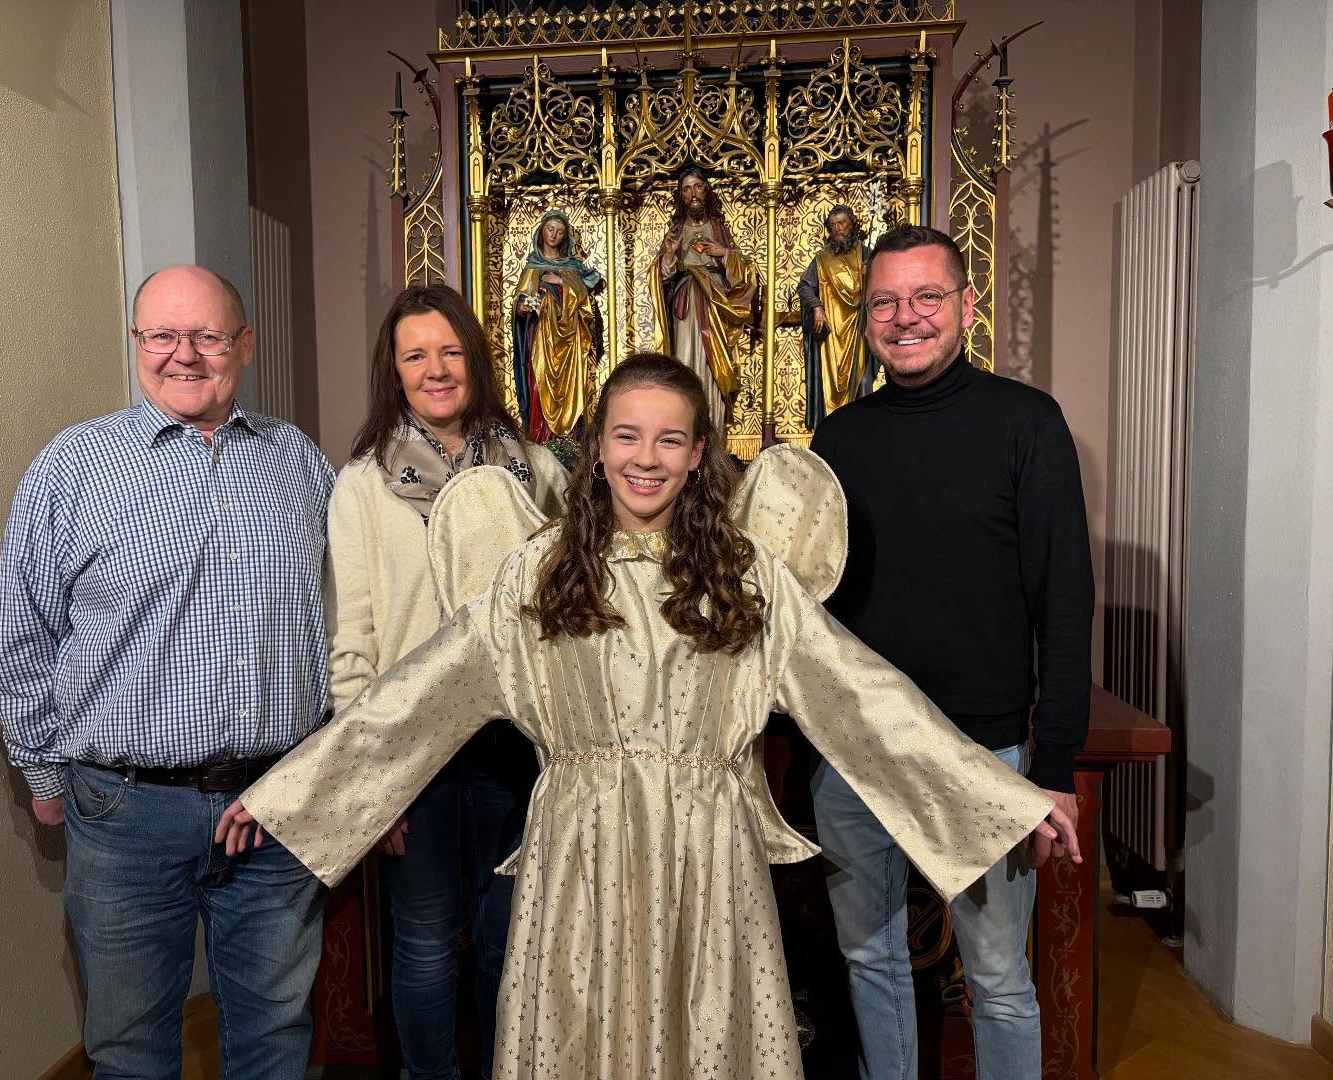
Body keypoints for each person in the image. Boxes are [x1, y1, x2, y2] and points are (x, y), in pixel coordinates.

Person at [216, 353, 1076, 1080]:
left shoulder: (748, 577)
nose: (646, 458)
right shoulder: (535, 575)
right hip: (577, 858)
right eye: (627, 435)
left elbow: (864, 697)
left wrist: (1000, 797)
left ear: (699, 455)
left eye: (670, 439)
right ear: (596, 448)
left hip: (711, 859)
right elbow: (416, 697)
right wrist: (293, 793)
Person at [0, 265, 334, 1078]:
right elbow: (24, 631)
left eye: (208, 336)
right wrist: (42, 772)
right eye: (163, 335)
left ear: (245, 346)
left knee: (276, 1037)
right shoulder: (73, 467)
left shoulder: (297, 461)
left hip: (278, 807)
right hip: (126, 813)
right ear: (136, 342)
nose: (185, 354)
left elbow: (345, 620)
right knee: (131, 1048)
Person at [810, 223, 1095, 1080]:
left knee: (998, 979)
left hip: (985, 752)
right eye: (885, 302)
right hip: (858, 750)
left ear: (967, 305)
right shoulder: (839, 438)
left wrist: (1056, 766)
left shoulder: (1027, 424)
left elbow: (1064, 601)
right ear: (864, 317)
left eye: (927, 296)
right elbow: (811, 608)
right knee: (871, 961)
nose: (906, 317)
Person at [333, 284, 568, 1080]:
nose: (436, 369)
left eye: (450, 350)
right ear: (393, 371)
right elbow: (353, 639)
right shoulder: (363, 484)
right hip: (415, 752)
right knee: (427, 943)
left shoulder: (536, 472)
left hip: (515, 746)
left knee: (511, 939)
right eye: (415, 355)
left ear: (476, 357)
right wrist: (369, 782)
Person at [648, 166, 759, 430]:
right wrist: (669, 256)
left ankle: (714, 429)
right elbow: (660, 278)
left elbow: (745, 274)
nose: (693, 194)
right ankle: (686, 427)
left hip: (716, 306)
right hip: (686, 306)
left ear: (706, 190)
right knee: (686, 362)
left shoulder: (718, 228)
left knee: (714, 366)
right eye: (687, 189)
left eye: (697, 187)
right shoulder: (676, 231)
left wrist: (725, 254)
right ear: (681, 195)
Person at [511, 209, 604, 441]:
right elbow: (520, 303)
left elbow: (585, 302)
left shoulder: (571, 267)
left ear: (565, 237)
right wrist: (521, 307)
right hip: (541, 338)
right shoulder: (532, 267)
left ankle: (570, 440)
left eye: (560, 232)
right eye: (550, 229)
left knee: (571, 388)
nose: (553, 235)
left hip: (570, 341)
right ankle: (541, 438)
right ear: (541, 232)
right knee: (538, 386)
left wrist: (562, 281)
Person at [798, 204, 875, 428]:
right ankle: (833, 429)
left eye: (841, 223)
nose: (837, 229)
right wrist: (816, 307)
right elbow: (805, 286)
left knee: (862, 381)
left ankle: (863, 429)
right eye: (832, 226)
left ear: (852, 225)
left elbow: (887, 287)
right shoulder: (822, 259)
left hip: (858, 328)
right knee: (828, 384)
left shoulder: (866, 255)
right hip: (832, 333)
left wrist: (871, 275)